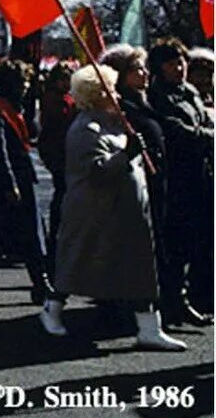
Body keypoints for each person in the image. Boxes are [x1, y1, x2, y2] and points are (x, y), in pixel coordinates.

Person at [39, 64, 186, 351]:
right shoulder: (85, 128)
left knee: (140, 269)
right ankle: (52, 309)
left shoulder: (115, 122)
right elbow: (96, 172)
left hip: (126, 213)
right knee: (78, 264)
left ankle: (149, 328)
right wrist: (126, 155)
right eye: (110, 91)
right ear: (96, 95)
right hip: (95, 215)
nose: (117, 96)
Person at [0, 59, 51, 303]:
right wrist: (10, 183)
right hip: (7, 181)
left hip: (14, 178)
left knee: (4, 232)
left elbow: (32, 132)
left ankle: (41, 280)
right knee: (22, 232)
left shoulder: (5, 107)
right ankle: (41, 281)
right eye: (23, 82)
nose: (26, 86)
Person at [147, 40, 215, 322]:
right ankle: (174, 299)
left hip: (202, 173)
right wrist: (207, 136)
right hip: (176, 179)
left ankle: (198, 295)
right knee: (177, 243)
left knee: (202, 238)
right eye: (173, 63)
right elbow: (176, 131)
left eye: (182, 61)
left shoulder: (190, 93)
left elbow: (206, 122)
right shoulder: (158, 96)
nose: (180, 68)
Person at [36, 64, 75, 263]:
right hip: (59, 152)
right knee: (62, 194)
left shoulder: (63, 97)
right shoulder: (54, 99)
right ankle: (56, 239)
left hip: (61, 151)